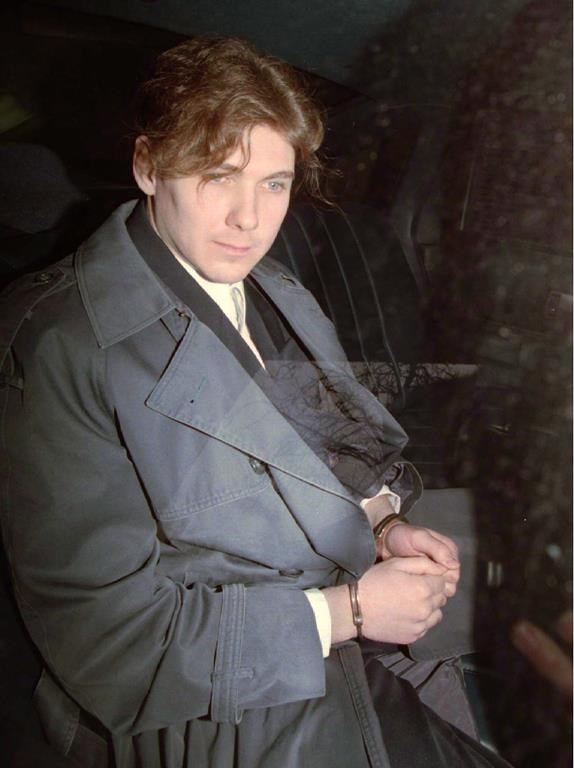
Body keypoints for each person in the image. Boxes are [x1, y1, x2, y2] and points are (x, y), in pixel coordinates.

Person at [0, 37, 511, 768]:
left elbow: (334, 450)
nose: (250, 218)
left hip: (336, 609)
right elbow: (109, 650)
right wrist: (348, 612)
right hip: (215, 705)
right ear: (148, 166)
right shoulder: (57, 343)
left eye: (274, 183)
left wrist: (384, 523)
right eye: (219, 176)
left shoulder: (274, 291)